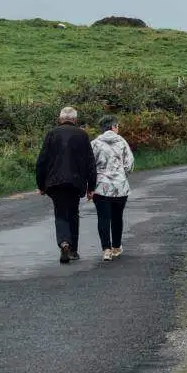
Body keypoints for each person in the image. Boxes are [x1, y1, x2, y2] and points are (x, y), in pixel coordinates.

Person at [36, 106, 95, 264]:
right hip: (76, 182)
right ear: (75, 120)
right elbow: (90, 163)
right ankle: (73, 250)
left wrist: (41, 184)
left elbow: (41, 161)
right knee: (73, 213)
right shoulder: (82, 135)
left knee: (60, 213)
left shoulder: (51, 134)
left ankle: (64, 243)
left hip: (55, 182)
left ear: (60, 119)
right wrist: (91, 187)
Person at [90, 114, 134, 262]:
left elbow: (89, 165)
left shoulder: (95, 143)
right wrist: (122, 174)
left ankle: (106, 250)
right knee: (117, 217)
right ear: (114, 126)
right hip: (120, 186)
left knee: (103, 218)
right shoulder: (122, 142)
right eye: (117, 126)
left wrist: (91, 184)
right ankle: (116, 247)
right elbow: (129, 164)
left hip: (101, 186)